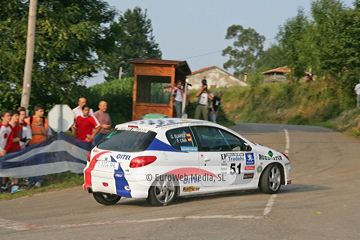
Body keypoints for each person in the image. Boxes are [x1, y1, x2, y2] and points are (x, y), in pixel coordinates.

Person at [25, 104, 49, 188]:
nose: (42, 113)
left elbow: (45, 132)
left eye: (43, 111)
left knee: (40, 163)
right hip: (32, 144)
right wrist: (39, 132)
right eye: (40, 111)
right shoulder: (29, 120)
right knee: (31, 163)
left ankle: (39, 180)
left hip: (41, 144)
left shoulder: (44, 120)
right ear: (36, 112)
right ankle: (30, 180)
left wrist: (40, 125)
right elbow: (29, 132)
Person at [7, 110, 22, 193]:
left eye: (18, 116)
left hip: (16, 150)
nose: (17, 117)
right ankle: (4, 184)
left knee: (16, 168)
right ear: (11, 116)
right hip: (6, 151)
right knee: (5, 168)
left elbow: (18, 138)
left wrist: (8, 140)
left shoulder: (19, 127)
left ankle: (15, 185)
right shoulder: (6, 127)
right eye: (16, 115)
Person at [0, 110, 13, 193]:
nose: (9, 117)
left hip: (3, 152)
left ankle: (2, 186)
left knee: (2, 170)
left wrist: (5, 150)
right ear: (3, 117)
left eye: (10, 115)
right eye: (7, 116)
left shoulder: (9, 128)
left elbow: (10, 140)